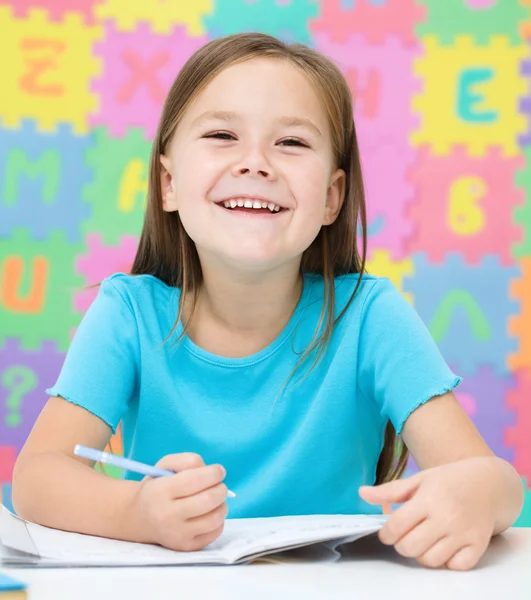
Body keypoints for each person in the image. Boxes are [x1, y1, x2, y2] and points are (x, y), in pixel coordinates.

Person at [12, 33, 523, 570]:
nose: (255, 163)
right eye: (222, 134)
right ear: (168, 183)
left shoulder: (369, 317)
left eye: (292, 143)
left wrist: (475, 497)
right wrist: (136, 512)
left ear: (331, 196)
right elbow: (38, 477)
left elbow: (496, 482)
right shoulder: (128, 316)